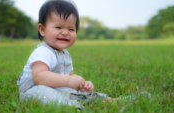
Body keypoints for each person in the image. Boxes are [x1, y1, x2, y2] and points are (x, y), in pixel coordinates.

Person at [17, 0, 150, 109]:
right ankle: (75, 107)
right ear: (42, 30)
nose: (65, 32)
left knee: (76, 92)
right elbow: (39, 77)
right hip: (32, 91)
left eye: (71, 29)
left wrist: (81, 84)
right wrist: (69, 81)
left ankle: (112, 100)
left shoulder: (66, 54)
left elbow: (68, 77)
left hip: (56, 89)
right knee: (43, 92)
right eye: (58, 27)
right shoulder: (43, 51)